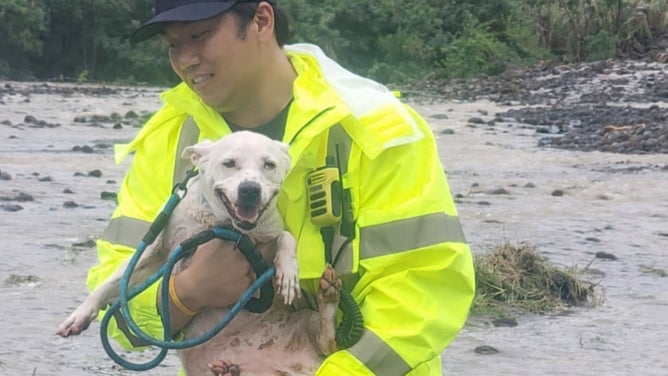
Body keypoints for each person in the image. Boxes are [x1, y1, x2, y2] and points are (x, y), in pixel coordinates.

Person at [86, 0, 476, 374]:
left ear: (261, 21)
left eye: (200, 34)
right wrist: (186, 293)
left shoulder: (378, 129)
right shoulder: (169, 140)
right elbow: (118, 312)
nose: (186, 59)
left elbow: (424, 287)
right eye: (173, 44)